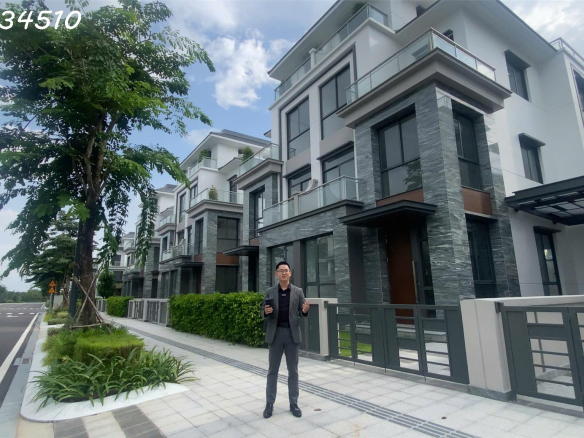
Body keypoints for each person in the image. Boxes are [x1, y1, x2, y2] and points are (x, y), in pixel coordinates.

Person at [261, 261, 310, 419]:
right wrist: (266, 311)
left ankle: (294, 404)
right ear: (276, 274)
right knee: (272, 371)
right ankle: (269, 404)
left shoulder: (298, 291)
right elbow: (263, 312)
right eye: (281, 270)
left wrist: (305, 310)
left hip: (291, 334)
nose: (283, 273)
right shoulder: (270, 291)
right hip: (275, 334)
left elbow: (302, 311)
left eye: (286, 270)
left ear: (290, 273)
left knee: (293, 371)